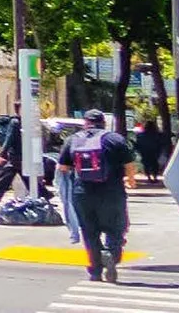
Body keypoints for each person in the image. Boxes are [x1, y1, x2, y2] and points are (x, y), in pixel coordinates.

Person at [64, 108, 136, 282]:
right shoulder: (115, 139)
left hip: (82, 194)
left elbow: (63, 168)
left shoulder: (72, 140)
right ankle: (110, 254)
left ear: (85, 123)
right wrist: (131, 180)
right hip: (112, 193)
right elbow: (130, 164)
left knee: (89, 232)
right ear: (103, 122)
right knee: (115, 229)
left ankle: (95, 271)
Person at [136, 118, 169, 188]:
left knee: (146, 164)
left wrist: (139, 150)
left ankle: (149, 177)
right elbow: (162, 143)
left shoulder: (140, 135)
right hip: (155, 151)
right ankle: (155, 177)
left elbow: (138, 144)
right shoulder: (158, 134)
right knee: (155, 164)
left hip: (145, 152)